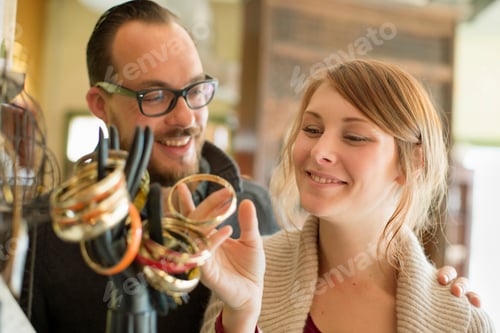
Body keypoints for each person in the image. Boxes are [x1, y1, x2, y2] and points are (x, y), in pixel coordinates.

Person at [19, 1, 478, 332]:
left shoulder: (251, 214)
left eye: (195, 90)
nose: (185, 117)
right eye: (154, 96)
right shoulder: (40, 236)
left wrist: (444, 303)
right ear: (100, 104)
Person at [200, 59, 495, 332]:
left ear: (413, 163)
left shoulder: (462, 322)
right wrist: (240, 319)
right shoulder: (247, 271)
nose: (319, 152)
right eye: (312, 129)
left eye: (354, 137)